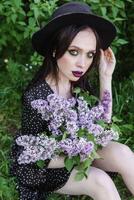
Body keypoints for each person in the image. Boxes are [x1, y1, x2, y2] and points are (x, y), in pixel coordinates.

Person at [10, 1, 134, 200]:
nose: (82, 64)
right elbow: (35, 156)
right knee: (101, 182)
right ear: (54, 49)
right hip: (47, 166)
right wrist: (78, 152)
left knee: (124, 154)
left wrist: (106, 77)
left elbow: (103, 125)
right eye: (73, 52)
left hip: (80, 151)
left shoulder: (79, 86)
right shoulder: (35, 97)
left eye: (90, 54)